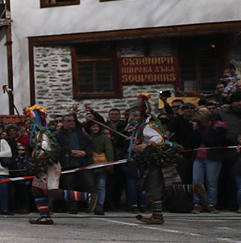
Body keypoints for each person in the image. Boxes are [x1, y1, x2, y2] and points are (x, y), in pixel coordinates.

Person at [130, 93, 207, 225]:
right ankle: (193, 188)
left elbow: (158, 139)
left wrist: (145, 145)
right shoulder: (145, 124)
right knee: (165, 187)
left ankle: (157, 216)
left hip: (156, 160)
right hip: (158, 159)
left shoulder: (148, 125)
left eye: (135, 112)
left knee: (153, 187)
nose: (133, 115)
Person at [54, 112, 96, 213]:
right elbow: (55, 149)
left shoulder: (82, 134)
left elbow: (91, 146)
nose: (72, 123)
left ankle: (94, 206)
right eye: (69, 121)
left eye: (73, 121)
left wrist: (85, 153)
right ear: (63, 122)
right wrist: (69, 152)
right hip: (67, 165)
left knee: (89, 185)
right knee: (69, 187)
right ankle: (72, 207)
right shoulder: (57, 135)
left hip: (83, 164)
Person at [191, 106, 228, 212]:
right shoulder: (198, 127)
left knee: (211, 182)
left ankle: (211, 203)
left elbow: (210, 141)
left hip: (213, 157)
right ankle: (197, 202)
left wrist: (197, 131)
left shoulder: (218, 126)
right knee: (196, 181)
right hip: (198, 157)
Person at [87, 120, 115, 215]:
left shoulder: (104, 138)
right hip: (89, 166)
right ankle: (91, 204)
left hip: (101, 166)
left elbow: (109, 151)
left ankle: (100, 204)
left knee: (100, 186)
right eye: (93, 127)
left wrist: (109, 165)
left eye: (97, 127)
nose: (95, 129)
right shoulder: (87, 137)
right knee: (91, 186)